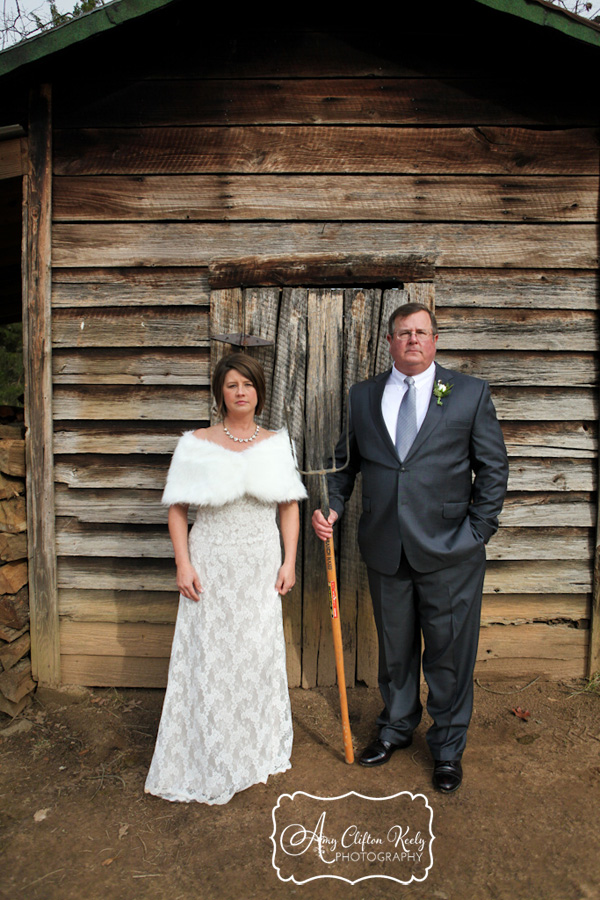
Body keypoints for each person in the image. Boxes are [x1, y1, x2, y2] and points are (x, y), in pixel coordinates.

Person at [312, 303, 508, 793]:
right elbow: (344, 465)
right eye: (403, 333)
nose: (413, 340)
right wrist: (332, 508)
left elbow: (494, 468)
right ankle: (397, 728)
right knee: (396, 653)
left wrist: (477, 532)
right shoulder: (364, 396)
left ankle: (446, 748)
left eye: (421, 332)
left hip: (452, 552)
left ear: (435, 340)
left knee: (448, 654)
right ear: (390, 341)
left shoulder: (468, 392)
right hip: (385, 549)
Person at [145, 353, 307, 804]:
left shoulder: (278, 443)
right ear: (220, 392)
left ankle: (253, 748)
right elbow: (177, 509)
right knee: (211, 654)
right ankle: (210, 751)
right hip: (212, 560)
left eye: (248, 384)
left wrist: (289, 560)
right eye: (232, 384)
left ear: (259, 391)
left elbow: (289, 506)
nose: (240, 391)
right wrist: (183, 563)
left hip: (259, 562)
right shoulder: (196, 443)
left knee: (254, 652)